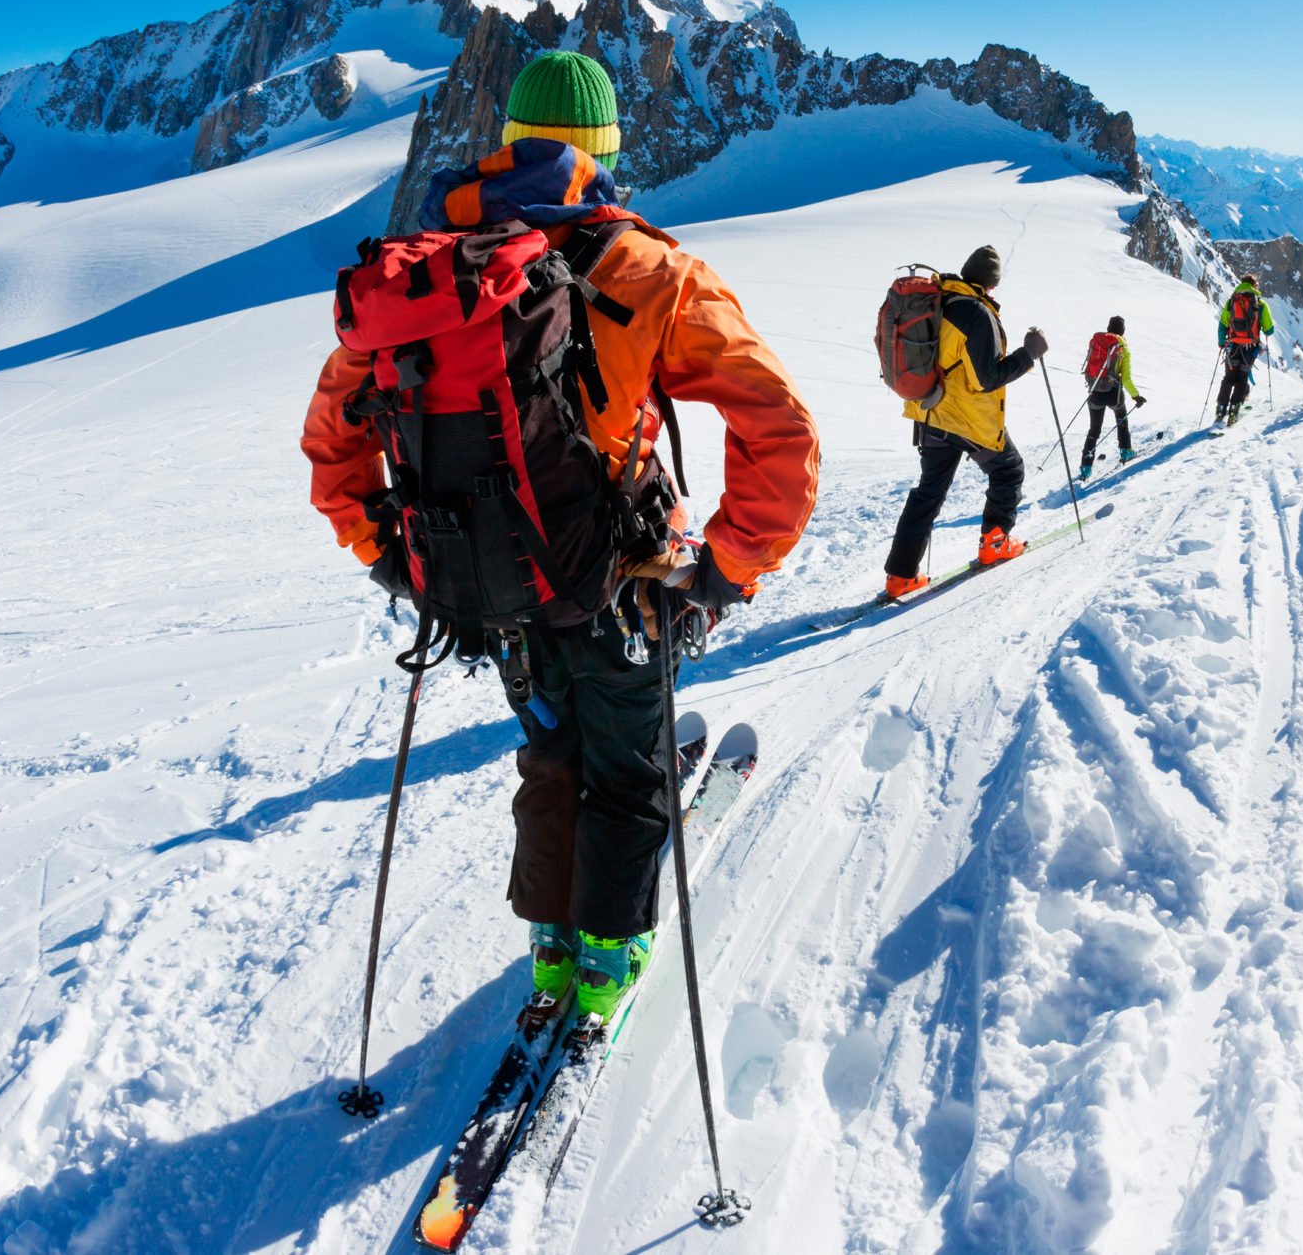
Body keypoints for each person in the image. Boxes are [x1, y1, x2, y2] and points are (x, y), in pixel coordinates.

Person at [302, 50, 819, 1024]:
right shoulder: (647, 270)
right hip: (627, 587)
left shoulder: (423, 282)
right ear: (606, 150)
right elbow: (777, 428)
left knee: (550, 756)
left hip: (487, 592)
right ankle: (606, 962)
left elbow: (334, 442)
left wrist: (397, 561)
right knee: (628, 772)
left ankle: (550, 950)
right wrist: (720, 574)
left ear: (506, 148)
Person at [882, 245, 1047, 598]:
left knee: (929, 491)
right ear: (992, 285)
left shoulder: (939, 300)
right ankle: (995, 543)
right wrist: (1028, 354)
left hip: (929, 413)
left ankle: (899, 576)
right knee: (1009, 470)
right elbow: (988, 378)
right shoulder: (977, 314)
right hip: (965, 419)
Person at [1078, 314, 1144, 478]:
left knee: (1094, 429)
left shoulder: (1098, 343)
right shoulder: (1122, 348)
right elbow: (1126, 378)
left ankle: (1085, 467)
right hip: (1114, 393)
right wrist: (1136, 397)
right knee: (1121, 419)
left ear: (1108, 329)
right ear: (1123, 331)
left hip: (1095, 391)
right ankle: (1126, 451)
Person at [1213, 274, 1272, 428]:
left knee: (1228, 378)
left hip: (1232, 347)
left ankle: (1220, 409)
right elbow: (1269, 330)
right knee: (1242, 378)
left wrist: (1221, 343)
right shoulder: (1261, 305)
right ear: (1255, 286)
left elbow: (1223, 325)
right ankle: (1234, 410)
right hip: (1249, 349)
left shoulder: (1232, 301)